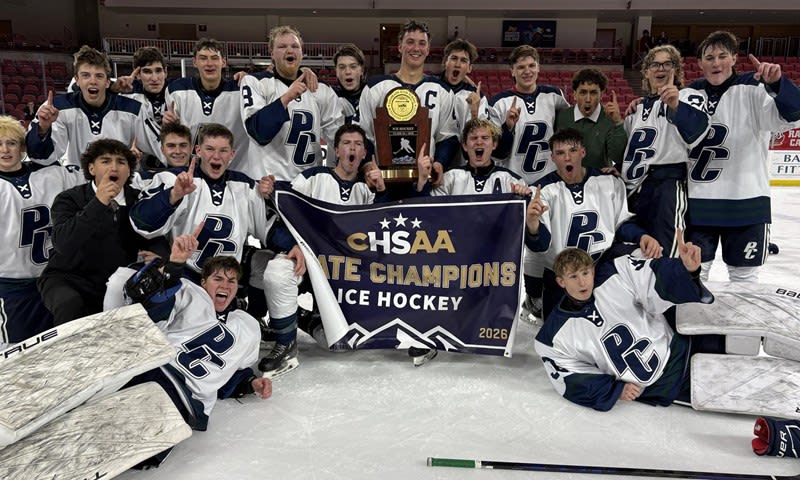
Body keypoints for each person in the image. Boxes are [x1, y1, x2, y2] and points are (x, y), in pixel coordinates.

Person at [533, 233, 713, 411]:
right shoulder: (550, 338)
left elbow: (653, 277)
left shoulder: (617, 273)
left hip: (682, 347)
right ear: (561, 282)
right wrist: (614, 389)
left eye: (585, 273)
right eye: (573, 277)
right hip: (664, 387)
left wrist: (687, 271)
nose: (582, 282)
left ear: (593, 271)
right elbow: (571, 379)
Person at [260, 124, 389, 371]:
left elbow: (382, 231)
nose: (352, 148)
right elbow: (283, 217)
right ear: (336, 151)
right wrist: (296, 244)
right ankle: (285, 343)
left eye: (358, 145)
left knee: (337, 342)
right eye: (347, 143)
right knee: (277, 273)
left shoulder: (367, 189)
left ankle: (301, 318)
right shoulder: (313, 177)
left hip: (344, 273)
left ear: (364, 154)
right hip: (307, 260)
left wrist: (382, 190)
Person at [121, 237, 270, 436]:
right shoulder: (190, 294)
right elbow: (147, 305)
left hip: (186, 402)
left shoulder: (248, 326)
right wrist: (174, 266)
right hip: (154, 371)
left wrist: (250, 383)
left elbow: (229, 373)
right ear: (203, 282)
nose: (225, 285)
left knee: (138, 445)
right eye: (218, 279)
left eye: (231, 281)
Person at [684, 31, 800, 282]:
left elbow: (795, 113)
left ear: (734, 58)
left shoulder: (755, 88)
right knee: (693, 275)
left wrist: (777, 84)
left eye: (722, 56)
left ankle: (741, 324)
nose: (716, 63)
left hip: (746, 204)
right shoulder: (688, 94)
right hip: (699, 205)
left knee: (745, 281)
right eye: (709, 57)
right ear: (700, 63)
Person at [524, 128, 660, 320]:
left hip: (600, 265)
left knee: (641, 253)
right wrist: (532, 224)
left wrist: (642, 236)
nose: (567, 157)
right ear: (553, 158)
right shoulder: (543, 191)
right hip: (563, 274)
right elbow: (539, 246)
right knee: (558, 334)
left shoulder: (608, 182)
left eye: (572, 150)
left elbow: (621, 225)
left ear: (583, 152)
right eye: (560, 153)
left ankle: (646, 314)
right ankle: (536, 298)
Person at [37, 139, 168, 325]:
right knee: (70, 304)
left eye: (121, 162)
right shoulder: (69, 198)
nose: (114, 167)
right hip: (68, 278)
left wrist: (160, 256)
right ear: (91, 169)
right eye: (105, 161)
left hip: (117, 282)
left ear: (129, 170)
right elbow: (63, 243)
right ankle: (68, 353)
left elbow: (156, 236)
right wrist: (99, 203)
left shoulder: (138, 199)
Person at [0, 115, 84, 347]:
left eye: (12, 143)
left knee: (66, 347)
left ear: (23, 147)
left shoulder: (52, 174)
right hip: (13, 288)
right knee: (18, 355)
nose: (5, 150)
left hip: (56, 279)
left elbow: (97, 180)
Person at [619, 45, 709, 259]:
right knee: (636, 253)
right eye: (655, 64)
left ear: (676, 70)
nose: (661, 68)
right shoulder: (638, 109)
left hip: (666, 188)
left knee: (668, 253)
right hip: (634, 191)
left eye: (667, 64)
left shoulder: (688, 96)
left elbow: (697, 133)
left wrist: (676, 105)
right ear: (646, 72)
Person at [358, 20, 460, 185]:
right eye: (410, 42)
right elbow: (363, 134)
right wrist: (367, 165)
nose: (416, 48)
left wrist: (439, 163)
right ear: (400, 47)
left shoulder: (443, 91)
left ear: (427, 49)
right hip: (381, 180)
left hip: (424, 180)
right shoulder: (374, 88)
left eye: (422, 43)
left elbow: (447, 136)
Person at [240, 25, 342, 181]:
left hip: (308, 186)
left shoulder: (321, 90)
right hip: (269, 185)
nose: (289, 50)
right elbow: (258, 132)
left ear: (301, 53)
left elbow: (339, 138)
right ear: (272, 54)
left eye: (295, 46)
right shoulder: (255, 82)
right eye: (282, 46)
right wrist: (286, 98)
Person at [25, 45, 155, 167]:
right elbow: (41, 158)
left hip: (120, 182)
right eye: (86, 75)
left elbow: (159, 147)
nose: (93, 81)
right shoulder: (55, 108)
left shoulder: (134, 108)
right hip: (79, 185)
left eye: (99, 76)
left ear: (108, 82)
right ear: (77, 79)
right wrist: (43, 129)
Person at [163, 38, 250, 172]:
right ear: (194, 62)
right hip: (190, 173)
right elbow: (171, 136)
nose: (209, 64)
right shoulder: (178, 90)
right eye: (203, 58)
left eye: (215, 58)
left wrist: (251, 80)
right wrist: (168, 124)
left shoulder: (240, 89)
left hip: (233, 173)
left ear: (224, 62)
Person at [488, 44, 569, 186]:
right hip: (513, 182)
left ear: (538, 67)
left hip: (550, 181)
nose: (527, 71)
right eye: (521, 67)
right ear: (512, 71)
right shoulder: (498, 103)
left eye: (531, 65)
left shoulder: (554, 96)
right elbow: (496, 154)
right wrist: (507, 128)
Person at [416, 118, 528, 197]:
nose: (479, 142)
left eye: (485, 138)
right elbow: (426, 213)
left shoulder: (511, 180)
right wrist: (422, 181)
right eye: (474, 138)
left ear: (494, 144)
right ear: (464, 145)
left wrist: (524, 196)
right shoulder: (450, 178)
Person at [555, 68, 627, 169]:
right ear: (575, 94)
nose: (588, 99)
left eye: (593, 93)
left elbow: (618, 157)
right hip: (567, 179)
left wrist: (617, 122)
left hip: (599, 179)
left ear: (601, 95)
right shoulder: (562, 116)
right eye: (583, 92)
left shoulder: (609, 118)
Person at [440, 38, 489, 166]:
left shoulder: (477, 97)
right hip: (432, 162)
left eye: (463, 61)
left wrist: (474, 112)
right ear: (445, 62)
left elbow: (482, 138)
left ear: (469, 68)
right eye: (454, 58)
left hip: (463, 167)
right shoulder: (431, 88)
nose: (457, 64)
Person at [332, 44, 367, 125]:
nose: (347, 72)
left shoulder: (372, 94)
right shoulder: (330, 96)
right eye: (342, 67)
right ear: (336, 71)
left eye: (353, 67)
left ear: (361, 70)